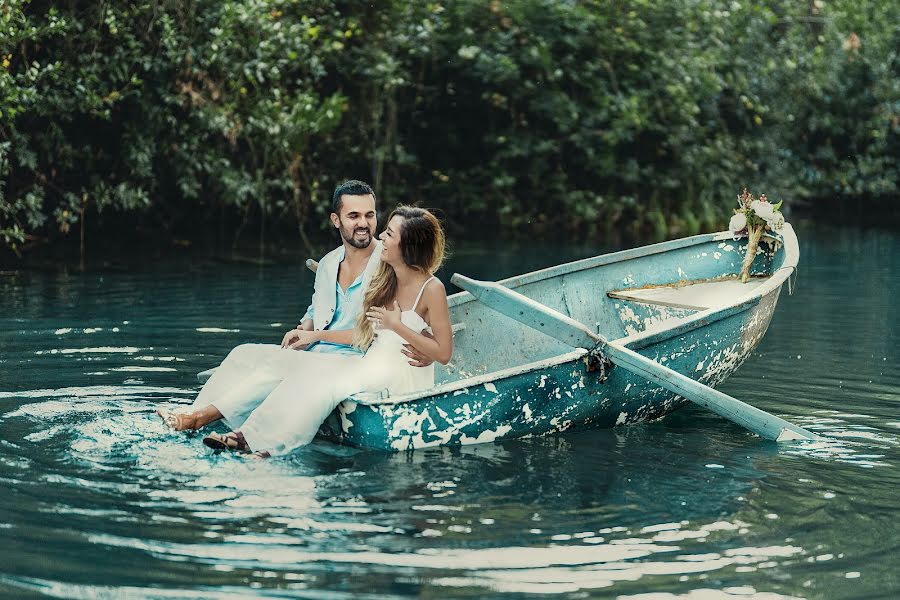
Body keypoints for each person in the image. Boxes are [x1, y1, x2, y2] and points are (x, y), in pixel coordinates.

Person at [156, 180, 431, 432]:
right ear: (336, 220)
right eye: (354, 216)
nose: (363, 224)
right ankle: (192, 413)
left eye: (369, 215)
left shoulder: (387, 266)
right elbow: (316, 311)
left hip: (352, 362)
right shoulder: (327, 264)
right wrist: (305, 328)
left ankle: (201, 419)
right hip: (316, 352)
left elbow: (374, 333)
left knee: (281, 362)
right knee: (243, 353)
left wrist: (315, 336)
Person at [200, 205, 452, 456]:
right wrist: (314, 334)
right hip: (370, 363)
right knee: (311, 370)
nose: (381, 238)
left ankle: (264, 447)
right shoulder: (386, 279)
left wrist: (396, 325)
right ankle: (249, 437)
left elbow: (443, 354)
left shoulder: (432, 288)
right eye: (385, 231)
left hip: (399, 374)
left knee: (323, 381)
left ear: (408, 246)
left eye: (390, 234)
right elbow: (362, 334)